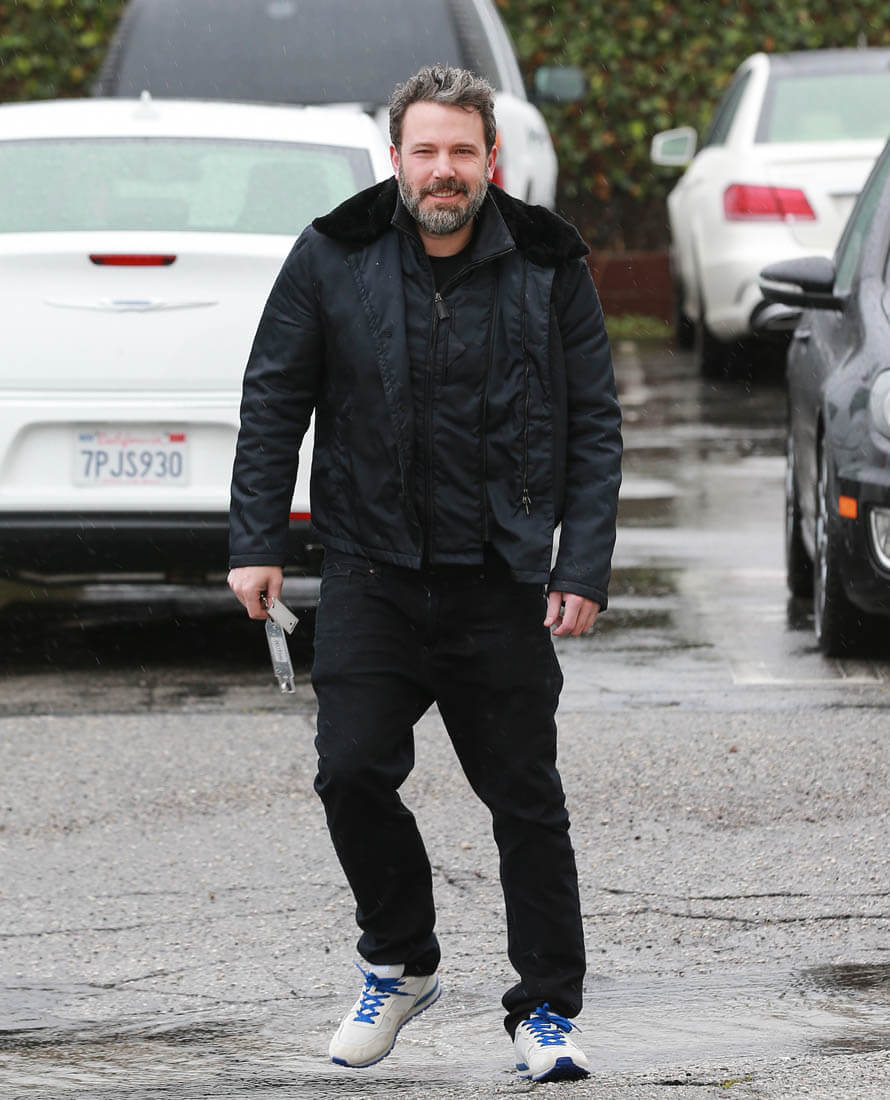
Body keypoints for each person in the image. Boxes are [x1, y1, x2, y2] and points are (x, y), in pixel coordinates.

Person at [228, 64, 622, 1083]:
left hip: (499, 578)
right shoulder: (332, 251)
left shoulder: (550, 260)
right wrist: (255, 540)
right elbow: (274, 398)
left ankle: (545, 1011)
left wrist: (579, 561)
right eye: (425, 151)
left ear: (491, 158)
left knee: (526, 802)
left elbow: (594, 420)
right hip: (372, 572)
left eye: (461, 152)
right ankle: (399, 962)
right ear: (396, 157)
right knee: (350, 770)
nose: (443, 170)